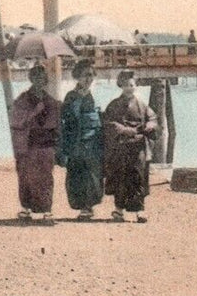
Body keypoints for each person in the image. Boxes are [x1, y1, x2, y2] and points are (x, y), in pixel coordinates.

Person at [101, 71, 158, 223]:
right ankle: (118, 210)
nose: (129, 88)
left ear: (136, 86)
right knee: (120, 178)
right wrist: (127, 130)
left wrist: (150, 125)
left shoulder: (142, 104)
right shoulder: (114, 104)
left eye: (131, 85)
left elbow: (152, 117)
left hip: (138, 146)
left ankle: (139, 211)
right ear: (121, 86)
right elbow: (109, 123)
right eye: (126, 85)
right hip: (121, 146)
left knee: (138, 177)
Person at [10, 65, 60, 220]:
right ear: (31, 79)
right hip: (28, 142)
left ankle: (46, 209)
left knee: (46, 176)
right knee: (26, 176)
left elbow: (55, 123)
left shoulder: (50, 100)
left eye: (42, 78)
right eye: (36, 77)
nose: (40, 80)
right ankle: (26, 207)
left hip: (46, 142)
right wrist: (34, 112)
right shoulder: (23, 98)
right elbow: (17, 121)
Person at [57, 59, 104, 219]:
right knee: (77, 173)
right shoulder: (71, 95)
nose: (88, 79)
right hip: (77, 140)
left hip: (92, 140)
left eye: (91, 75)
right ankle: (82, 206)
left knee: (93, 173)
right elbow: (65, 117)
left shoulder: (94, 94)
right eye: (85, 76)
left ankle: (89, 206)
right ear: (77, 77)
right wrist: (78, 102)